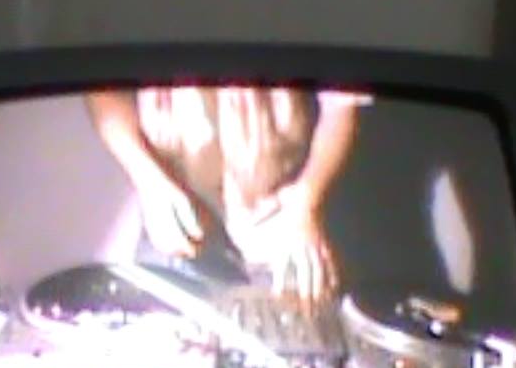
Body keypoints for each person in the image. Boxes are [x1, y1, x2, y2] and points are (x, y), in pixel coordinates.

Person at [86, 85, 365, 300]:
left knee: (296, 348)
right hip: (174, 218)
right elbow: (104, 90)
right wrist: (149, 181)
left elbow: (341, 106)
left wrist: (306, 202)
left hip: (283, 223)